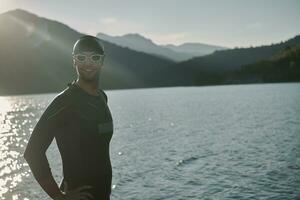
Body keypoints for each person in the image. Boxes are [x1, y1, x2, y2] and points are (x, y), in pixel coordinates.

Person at [23, 35, 114, 200]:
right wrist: (58, 196)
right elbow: (33, 152)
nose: (88, 63)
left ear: (102, 61)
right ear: (74, 61)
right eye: (81, 57)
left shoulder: (101, 97)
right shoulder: (65, 101)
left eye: (94, 57)